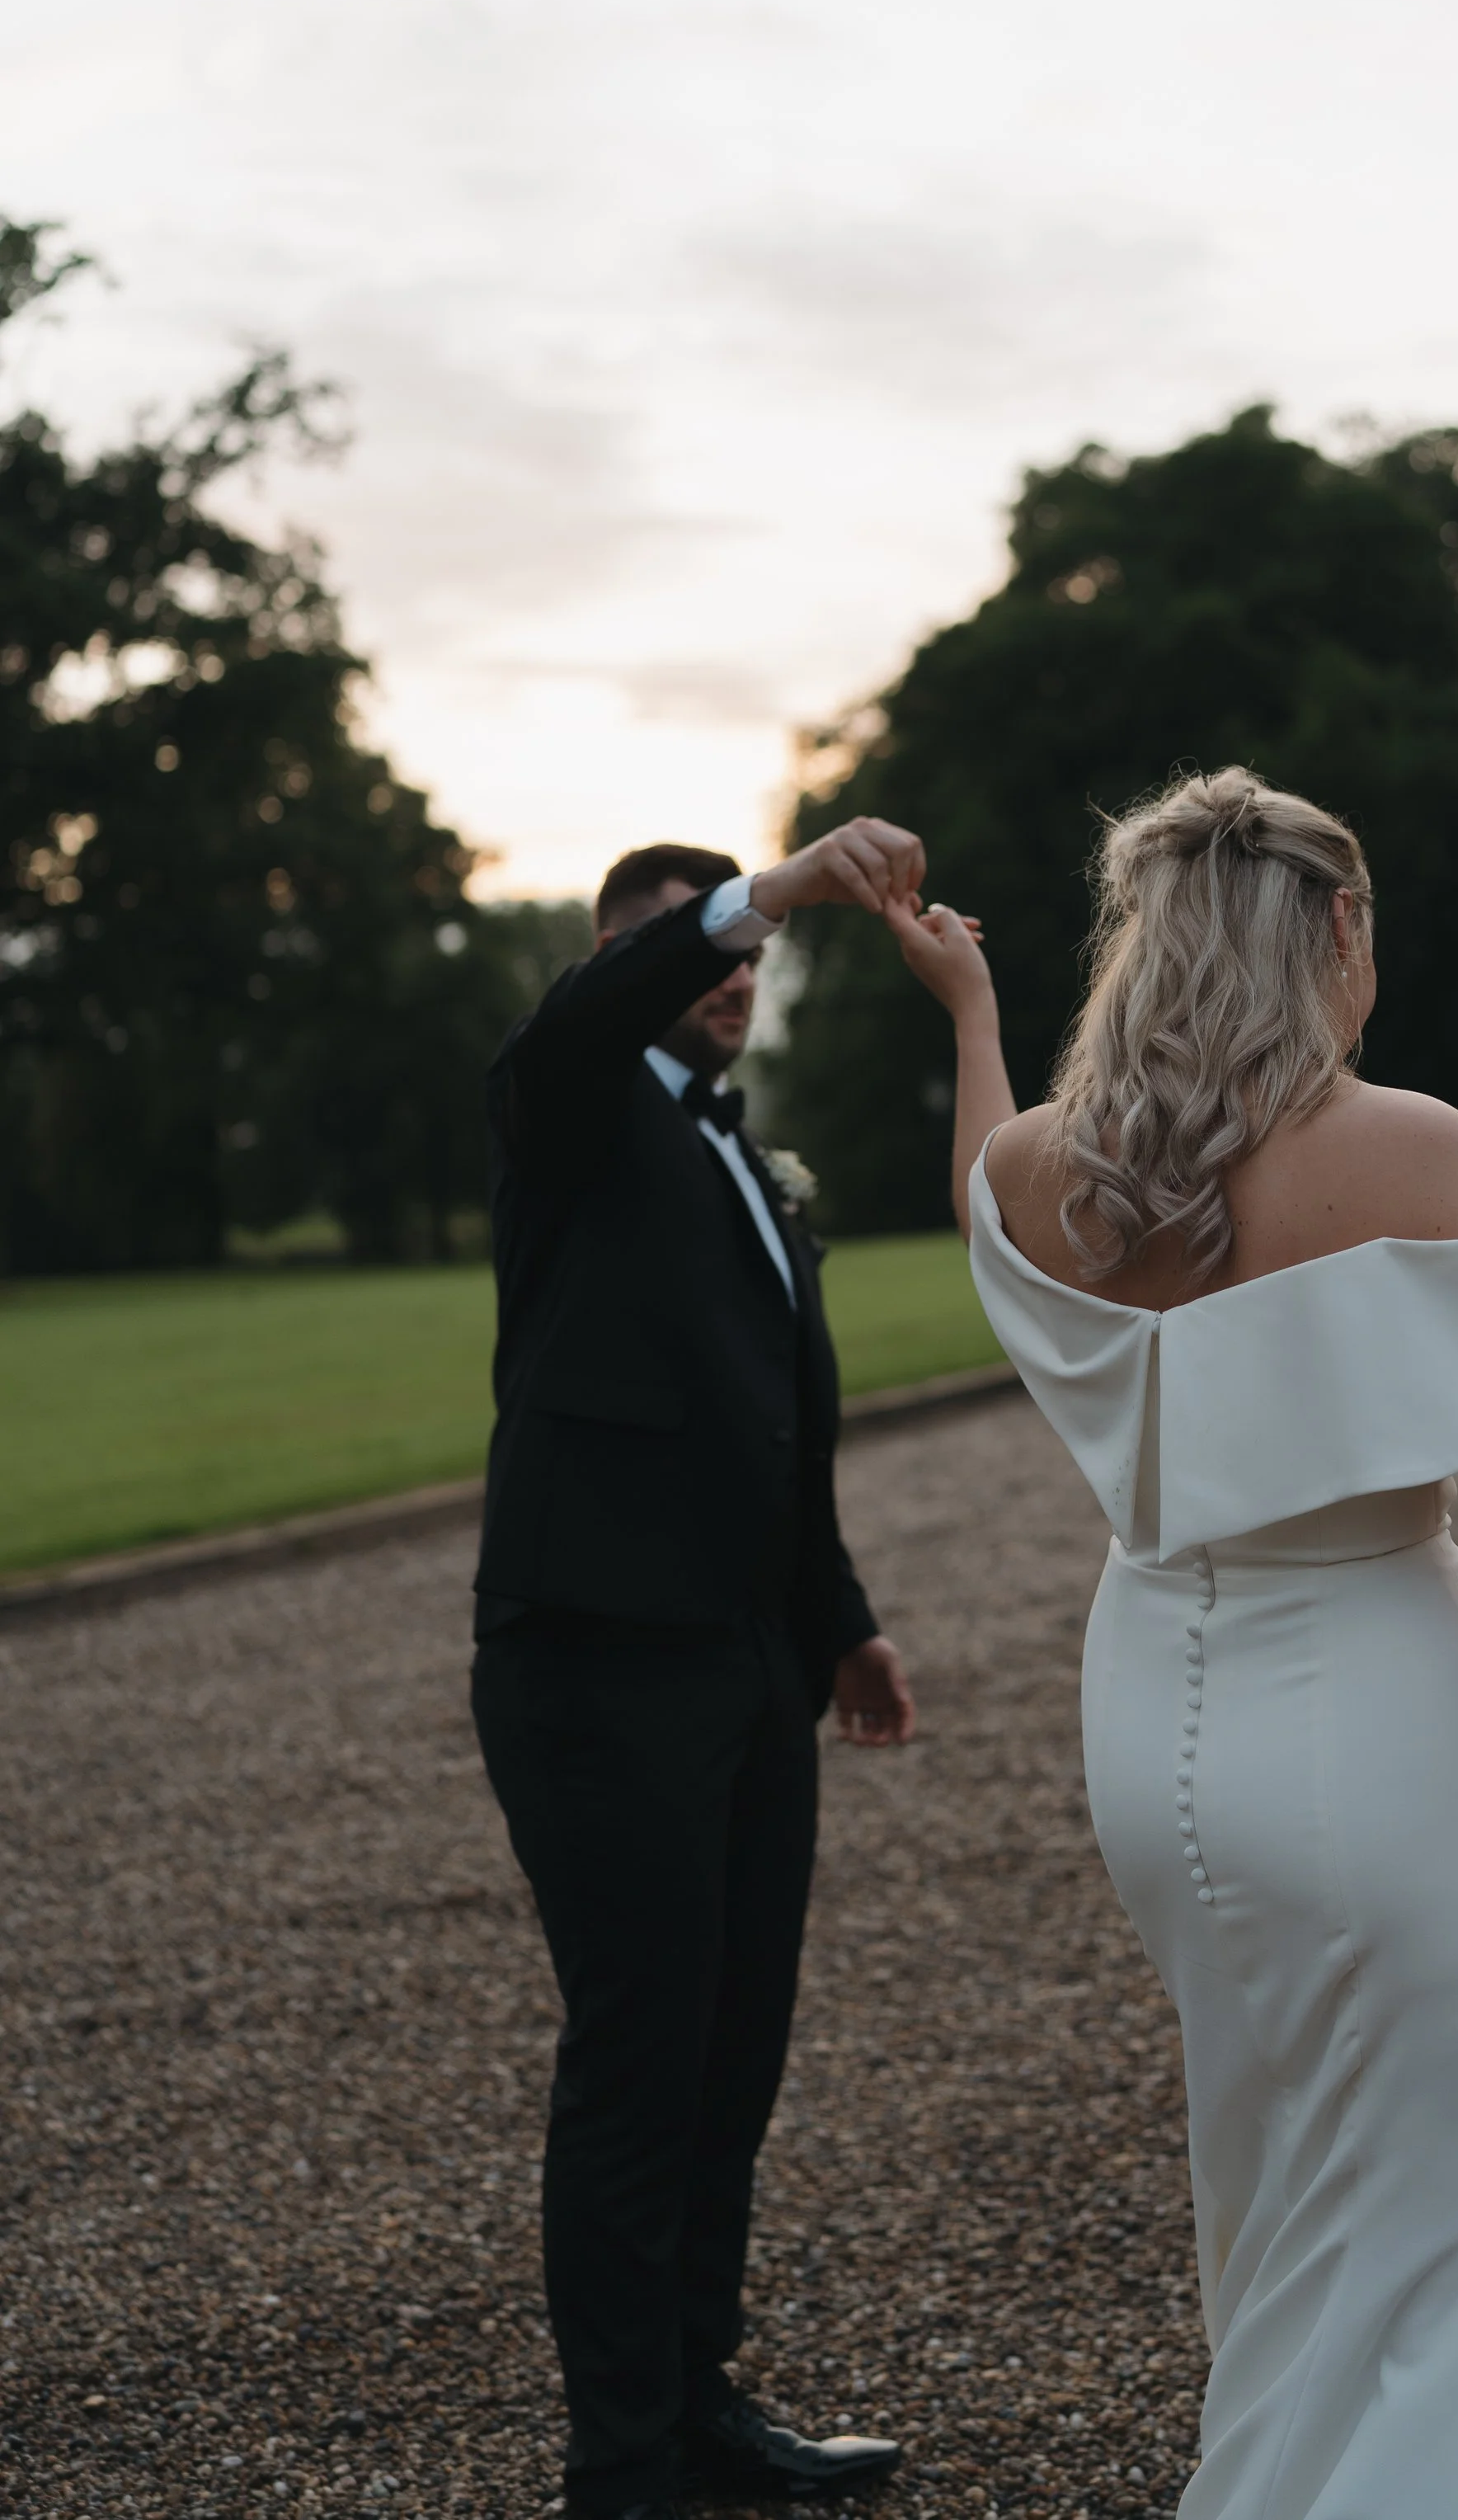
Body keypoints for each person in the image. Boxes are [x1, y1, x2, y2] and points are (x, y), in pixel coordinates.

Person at [888, 767, 1458, 2520]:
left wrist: (973, 1014)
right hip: (1368, 1719)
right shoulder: (1413, 1151)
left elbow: (988, 1196)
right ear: (1337, 929)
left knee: (1281, 2188)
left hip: (1153, 1731)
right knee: (1449, 2221)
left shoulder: (1045, 1171)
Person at [472, 817, 924, 2518]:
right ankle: (623, 2468)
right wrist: (769, 887)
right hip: (593, 1663)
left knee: (733, 2051)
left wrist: (840, 1620)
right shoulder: (568, 1110)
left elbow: (768, 1427)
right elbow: (580, 1022)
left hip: (744, 1663)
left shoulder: (739, 1155)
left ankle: (697, 2403)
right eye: (703, 947)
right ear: (619, 963)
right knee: (641, 2052)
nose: (734, 973)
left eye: (746, 954)